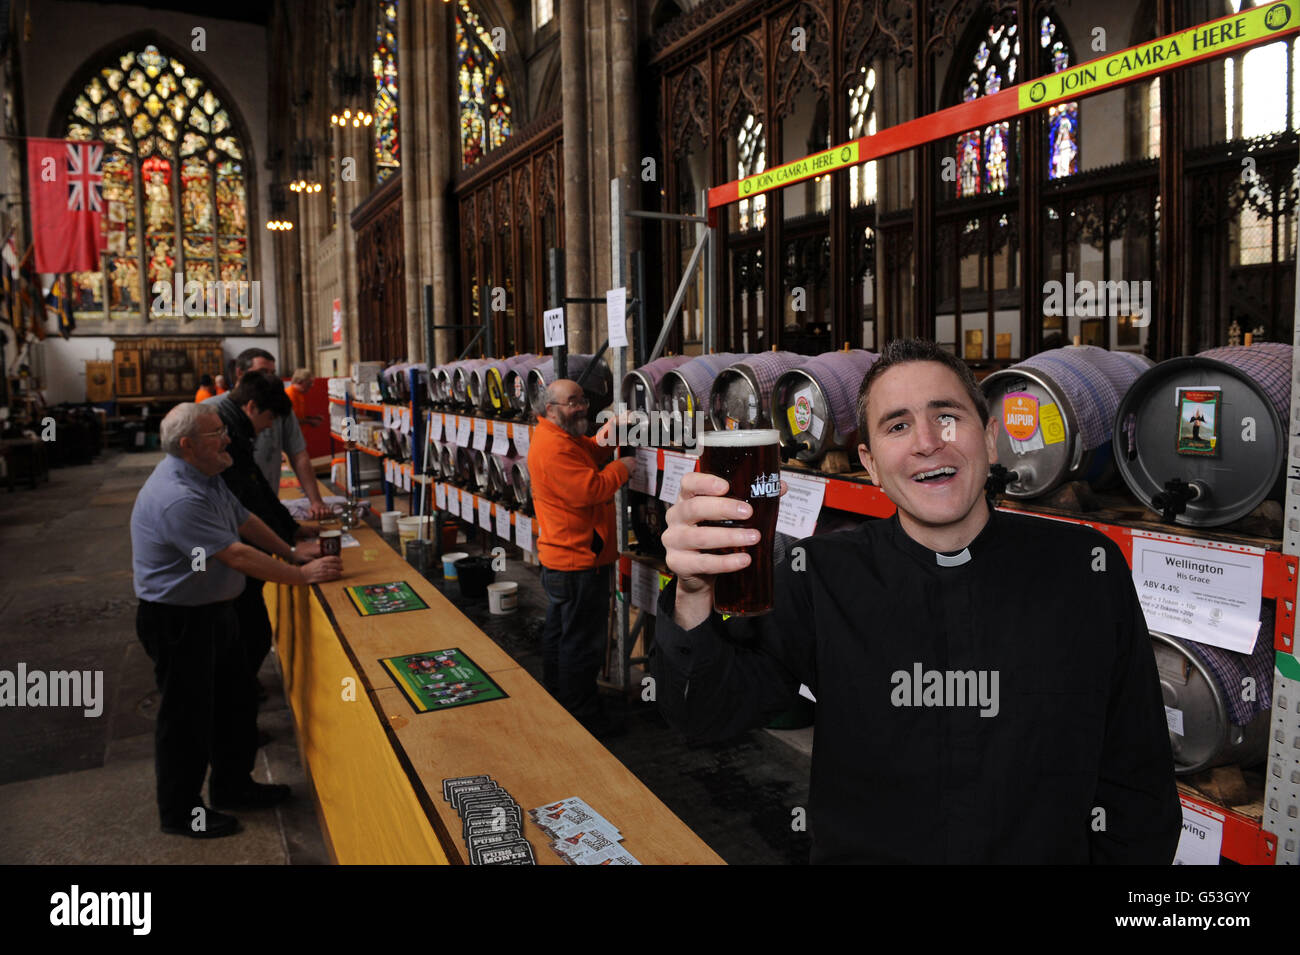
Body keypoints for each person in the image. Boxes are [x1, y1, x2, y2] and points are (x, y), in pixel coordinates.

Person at [653, 338, 1182, 864]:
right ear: (871, 463)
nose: (928, 442)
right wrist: (695, 594)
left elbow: (1139, 780)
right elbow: (705, 713)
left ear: (991, 439)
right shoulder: (820, 574)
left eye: (947, 416)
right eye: (897, 425)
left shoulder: (1085, 568)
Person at [131, 404, 343, 838]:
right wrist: (300, 574)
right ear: (188, 445)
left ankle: (233, 786)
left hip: (214, 610)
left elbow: (245, 521)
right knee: (187, 720)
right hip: (179, 620)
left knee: (236, 701)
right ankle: (180, 812)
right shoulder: (177, 496)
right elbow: (237, 553)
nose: (227, 437)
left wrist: (290, 549)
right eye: (216, 433)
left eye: (223, 429)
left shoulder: (205, 475)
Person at [213, 369, 321, 738]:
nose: (267, 428)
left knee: (252, 635)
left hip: (231, 559)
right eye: (268, 420)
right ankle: (235, 734)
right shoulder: (226, 433)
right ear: (252, 406)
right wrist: (295, 559)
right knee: (246, 638)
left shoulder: (235, 428)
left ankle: (238, 725)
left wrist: (290, 533)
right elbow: (246, 500)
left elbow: (254, 492)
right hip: (214, 576)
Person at [528, 379, 632, 734]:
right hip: (577, 561)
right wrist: (624, 468)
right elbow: (590, 489)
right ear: (550, 409)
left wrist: (609, 433)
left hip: (565, 559)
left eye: (582, 399)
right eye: (572, 402)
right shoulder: (552, 447)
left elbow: (587, 451)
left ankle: (558, 699)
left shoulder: (559, 438)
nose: (582, 406)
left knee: (560, 635)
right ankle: (583, 718)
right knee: (583, 643)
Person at [202, 349, 333, 520]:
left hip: (259, 506)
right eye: (263, 372)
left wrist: (315, 502)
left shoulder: (276, 406)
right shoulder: (212, 412)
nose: (270, 378)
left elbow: (298, 454)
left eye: (273, 373)